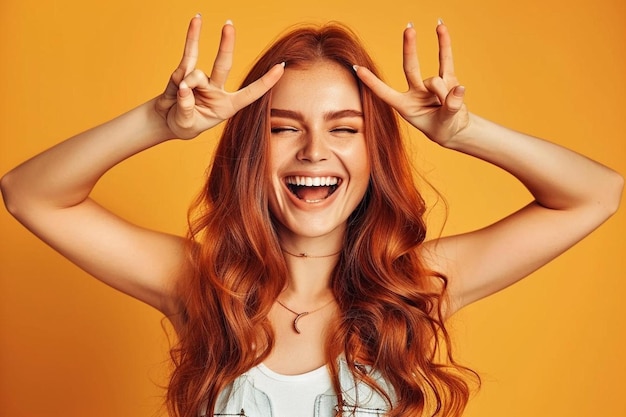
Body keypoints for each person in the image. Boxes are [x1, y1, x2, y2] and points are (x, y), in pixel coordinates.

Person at [0, 14, 622, 417]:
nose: (315, 153)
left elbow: (596, 193)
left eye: (344, 129)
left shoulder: (411, 285)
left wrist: (464, 133)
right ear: (250, 149)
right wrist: (156, 122)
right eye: (283, 127)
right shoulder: (203, 285)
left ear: (374, 151)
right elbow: (29, 193)